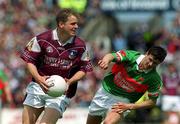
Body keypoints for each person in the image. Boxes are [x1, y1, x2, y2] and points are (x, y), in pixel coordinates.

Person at [20, 9, 93, 124]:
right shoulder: (41, 39)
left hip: (60, 91)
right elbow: (30, 61)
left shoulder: (80, 46)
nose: (76, 26)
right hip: (38, 86)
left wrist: (69, 82)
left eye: (77, 24)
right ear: (61, 24)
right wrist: (39, 78)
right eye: (73, 23)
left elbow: (84, 69)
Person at [86, 46, 167, 124]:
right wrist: (105, 61)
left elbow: (152, 102)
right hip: (105, 92)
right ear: (147, 53)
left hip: (123, 101)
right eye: (150, 59)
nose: (150, 64)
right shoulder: (131, 56)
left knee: (108, 122)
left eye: (155, 63)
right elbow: (111, 56)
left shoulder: (154, 79)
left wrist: (129, 106)